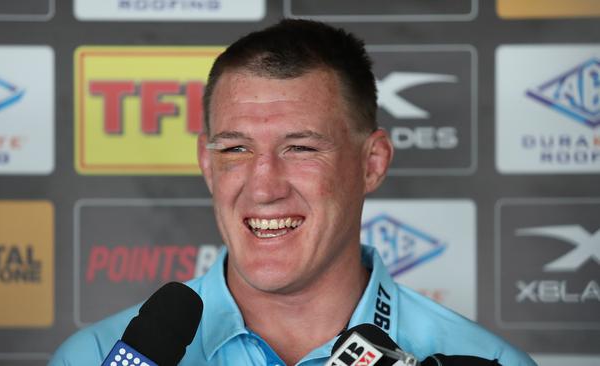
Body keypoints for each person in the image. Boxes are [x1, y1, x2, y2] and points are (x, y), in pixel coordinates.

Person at [50, 19, 536, 366]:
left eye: (301, 148)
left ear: (372, 162)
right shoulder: (98, 357)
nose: (263, 187)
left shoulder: (488, 361)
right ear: (206, 163)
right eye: (236, 149)